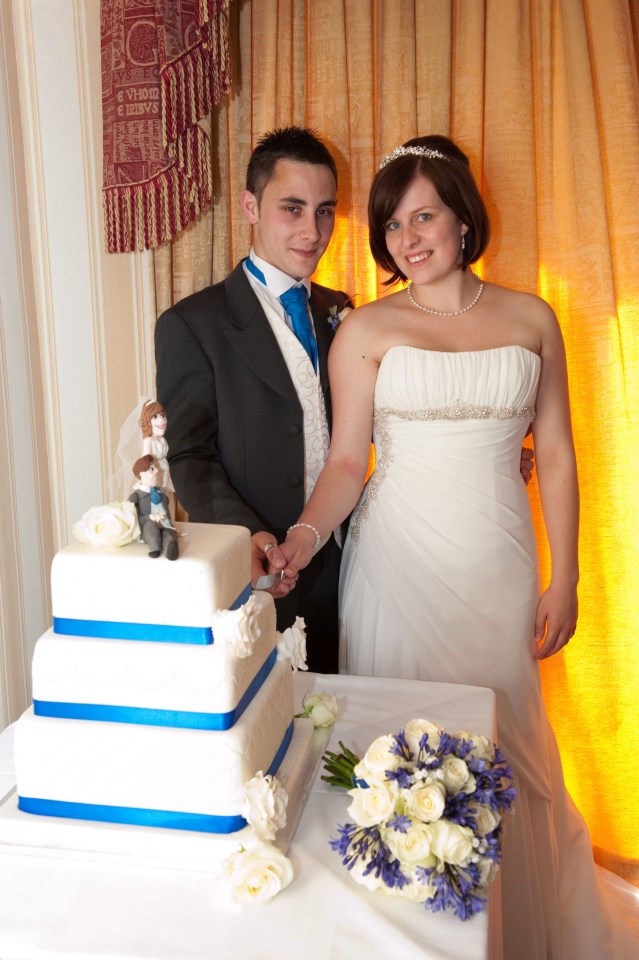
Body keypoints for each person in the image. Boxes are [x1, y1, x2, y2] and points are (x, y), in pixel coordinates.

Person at [279, 137, 639, 958]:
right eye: (391, 225)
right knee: (404, 752)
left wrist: (569, 576)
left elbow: (554, 455)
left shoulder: (529, 316)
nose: (408, 238)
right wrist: (302, 539)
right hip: (396, 564)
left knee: (512, 752)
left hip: (499, 567)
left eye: (424, 216)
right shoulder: (365, 329)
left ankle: (524, 934)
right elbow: (345, 463)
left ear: (461, 218)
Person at [155, 126, 533, 674]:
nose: (313, 231)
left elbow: (395, 417)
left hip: (363, 557)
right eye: (293, 208)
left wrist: (479, 453)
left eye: (326, 211)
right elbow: (190, 456)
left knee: (362, 737)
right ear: (250, 206)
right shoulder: (193, 324)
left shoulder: (346, 312)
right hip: (265, 570)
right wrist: (252, 535)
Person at [129, 455, 179, 560]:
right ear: (142, 474)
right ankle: (154, 548)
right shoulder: (136, 497)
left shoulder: (161, 493)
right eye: (152, 469)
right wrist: (149, 517)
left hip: (164, 524)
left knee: (169, 533)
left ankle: (170, 548)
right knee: (151, 529)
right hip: (148, 526)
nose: (156, 471)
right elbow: (133, 517)